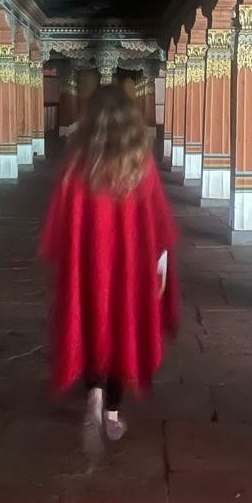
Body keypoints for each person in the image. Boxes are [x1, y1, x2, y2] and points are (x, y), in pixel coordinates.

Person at [40, 83, 179, 457]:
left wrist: (70, 262)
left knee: (89, 327)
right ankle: (113, 414)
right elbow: (158, 224)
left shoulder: (77, 163)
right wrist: (161, 264)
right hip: (129, 273)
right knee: (122, 333)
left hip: (88, 269)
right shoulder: (141, 163)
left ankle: (94, 395)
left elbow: (61, 224)